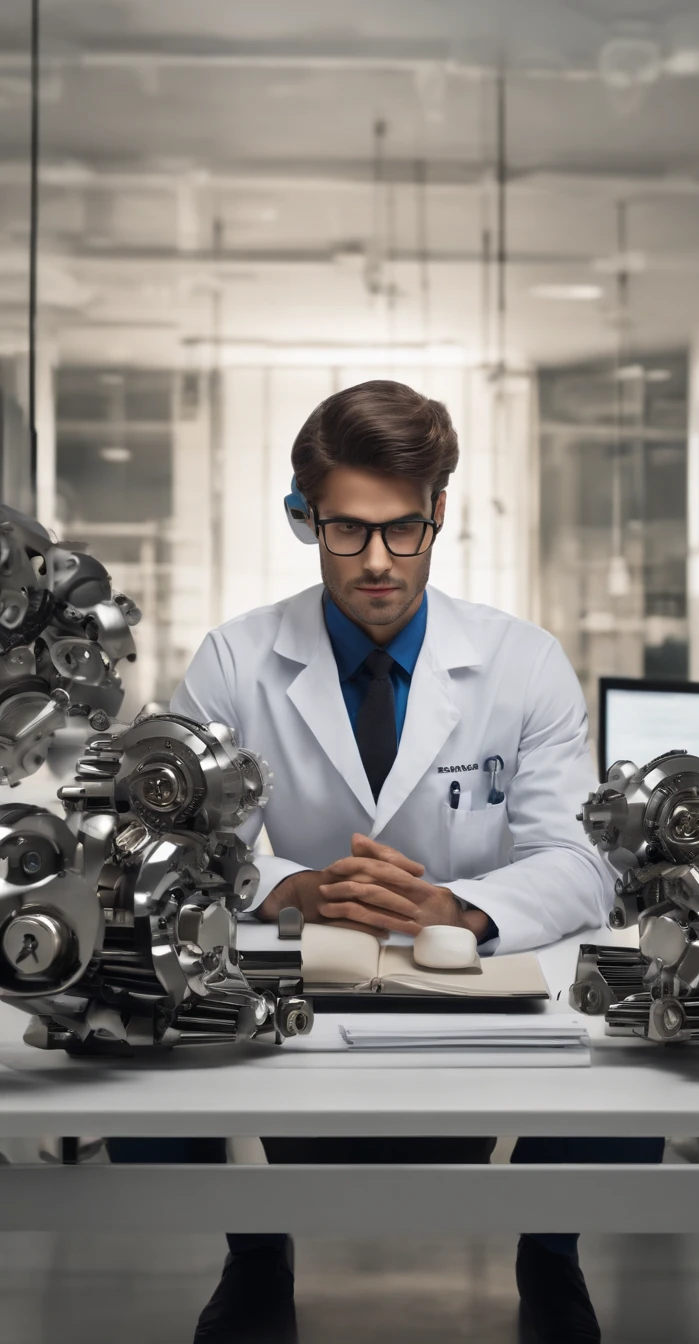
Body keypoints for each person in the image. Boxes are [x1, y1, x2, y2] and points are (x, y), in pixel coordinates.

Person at [108, 380, 663, 1344]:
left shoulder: (521, 661)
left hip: (478, 980)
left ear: (440, 511)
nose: (375, 563)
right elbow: (179, 860)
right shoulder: (236, 661)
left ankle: (550, 1254)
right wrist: (294, 889)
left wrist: (457, 908)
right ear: (301, 518)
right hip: (297, 986)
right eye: (345, 531)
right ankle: (253, 1254)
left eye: (402, 530)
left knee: (633, 1036)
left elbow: (578, 860)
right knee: (133, 1020)